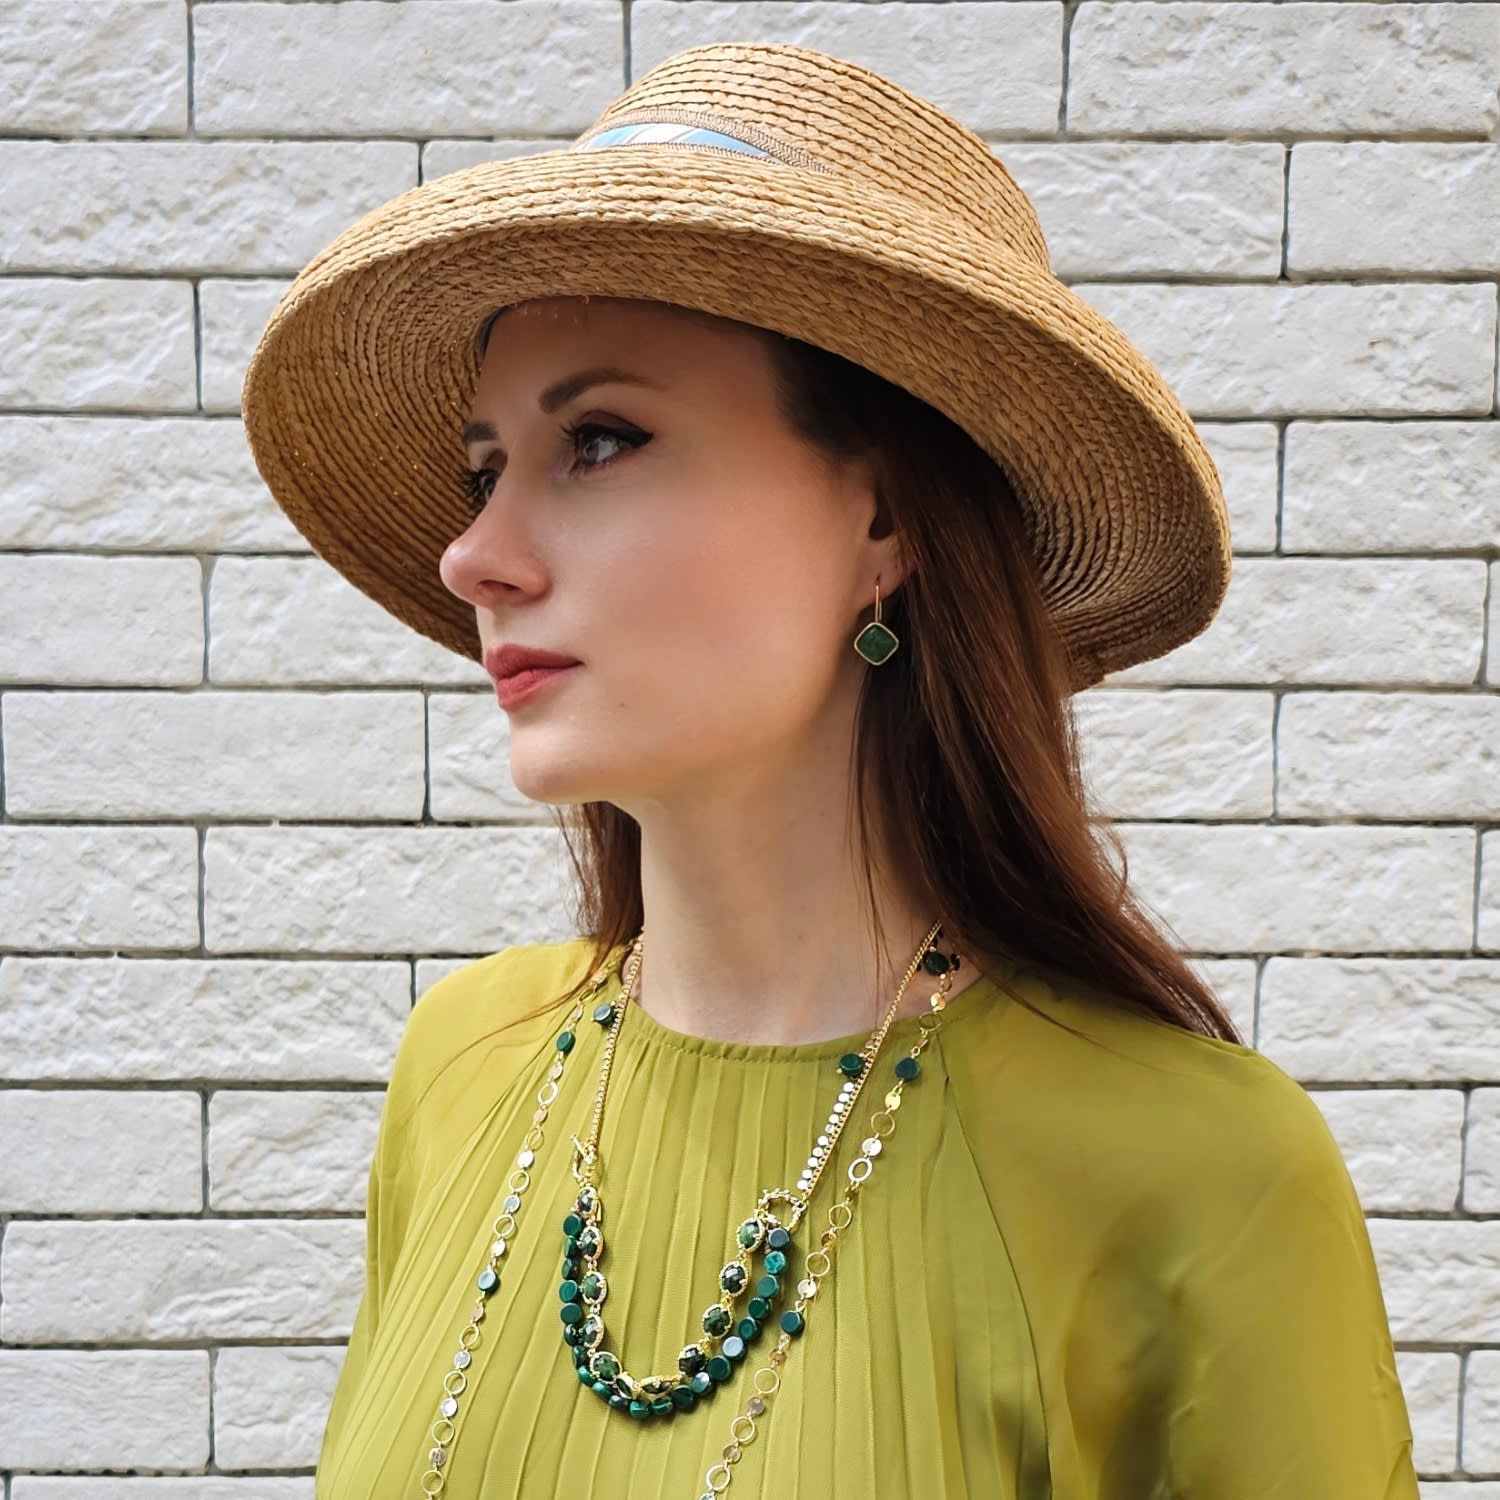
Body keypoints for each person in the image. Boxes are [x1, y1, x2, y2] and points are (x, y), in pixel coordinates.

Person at [240, 40, 1419, 1500]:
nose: (474, 555)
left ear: (884, 523)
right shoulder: (462, 1064)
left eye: (598, 441)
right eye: (488, 469)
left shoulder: (1195, 1169)